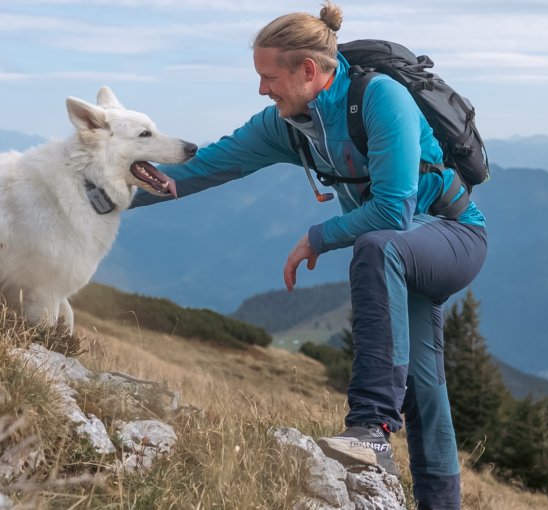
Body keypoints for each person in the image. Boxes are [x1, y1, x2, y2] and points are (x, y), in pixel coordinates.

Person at [130, 2, 486, 508]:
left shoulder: (382, 98)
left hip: (453, 236)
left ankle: (370, 428)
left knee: (376, 244)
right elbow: (203, 167)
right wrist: (105, 194)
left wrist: (316, 238)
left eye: (268, 76)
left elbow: (392, 212)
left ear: (310, 70)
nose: (261, 89)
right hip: (402, 250)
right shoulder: (288, 124)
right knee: (424, 389)